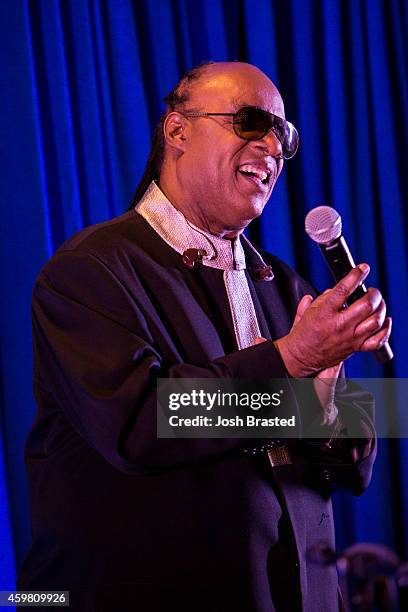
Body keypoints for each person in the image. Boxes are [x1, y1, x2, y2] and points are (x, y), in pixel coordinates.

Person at [18, 62, 391, 611]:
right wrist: (291, 360)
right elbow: (144, 422)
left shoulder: (286, 285)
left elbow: (353, 470)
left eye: (282, 136)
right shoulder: (90, 270)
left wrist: (326, 400)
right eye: (249, 122)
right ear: (177, 131)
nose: (271, 145)